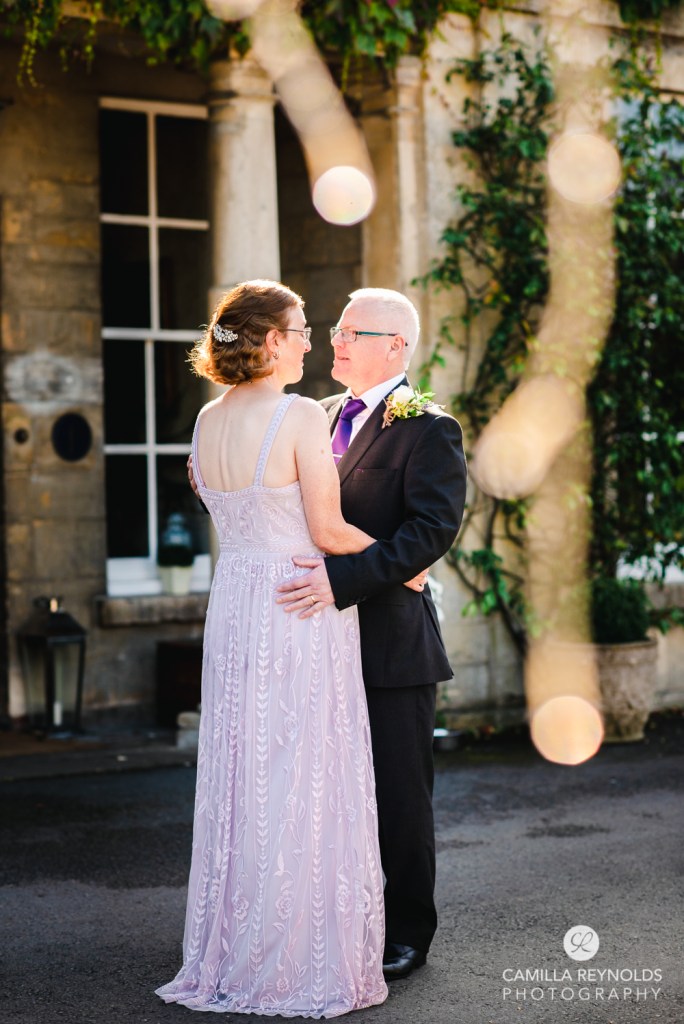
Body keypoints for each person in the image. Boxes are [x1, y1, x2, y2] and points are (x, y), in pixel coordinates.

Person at [156, 280, 390, 1017]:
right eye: (301, 330)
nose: (312, 341)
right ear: (267, 342)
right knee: (303, 777)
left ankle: (234, 954)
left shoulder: (204, 422)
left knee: (245, 777)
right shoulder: (295, 416)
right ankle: (297, 962)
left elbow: (225, 510)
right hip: (298, 607)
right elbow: (327, 531)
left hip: (237, 606)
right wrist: (404, 563)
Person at [275, 288, 467, 981]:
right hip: (315, 640)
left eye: (354, 331)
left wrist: (343, 579)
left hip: (392, 644)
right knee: (327, 792)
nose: (338, 341)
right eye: (336, 328)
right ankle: (338, 918)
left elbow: (430, 531)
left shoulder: (429, 427)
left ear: (397, 346)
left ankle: (408, 931)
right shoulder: (316, 416)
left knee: (398, 797)